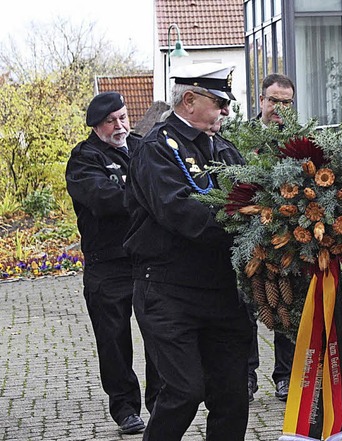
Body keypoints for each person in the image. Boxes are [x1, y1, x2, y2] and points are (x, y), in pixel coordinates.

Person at [124, 63, 252, 441]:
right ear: (190, 99)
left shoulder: (224, 150)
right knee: (184, 391)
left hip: (221, 292)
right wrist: (244, 218)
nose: (227, 111)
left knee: (232, 394)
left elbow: (254, 193)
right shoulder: (156, 149)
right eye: (220, 102)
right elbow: (179, 210)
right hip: (168, 291)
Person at [65, 92, 160, 435]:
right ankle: (124, 409)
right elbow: (104, 200)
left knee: (160, 334)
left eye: (123, 117)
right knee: (113, 341)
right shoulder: (83, 159)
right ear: (96, 126)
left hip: (146, 260)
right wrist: (149, 195)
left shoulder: (141, 146)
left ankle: (161, 404)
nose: (120, 126)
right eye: (111, 121)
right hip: (107, 265)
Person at [246, 73, 297, 403]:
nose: (279, 107)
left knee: (284, 304)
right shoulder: (240, 137)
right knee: (245, 308)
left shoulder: (298, 140)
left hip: (286, 237)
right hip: (247, 237)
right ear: (261, 101)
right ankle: (246, 375)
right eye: (274, 100)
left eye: (287, 102)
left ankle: (285, 375)